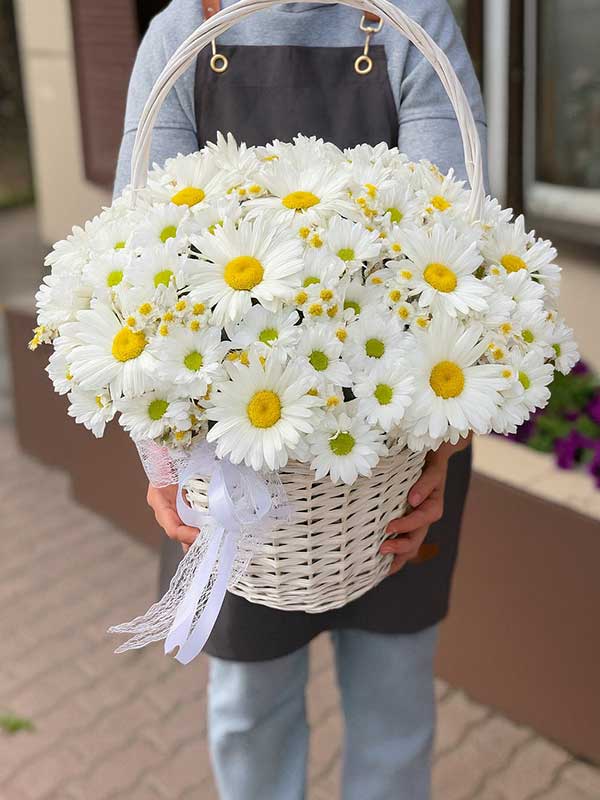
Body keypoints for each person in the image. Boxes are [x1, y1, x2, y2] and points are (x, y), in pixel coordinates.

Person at [114, 1, 486, 797]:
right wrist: (160, 459)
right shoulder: (186, 31)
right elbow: (133, 268)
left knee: (394, 703)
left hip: (398, 442)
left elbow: (457, 250)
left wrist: (443, 446)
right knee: (249, 708)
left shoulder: (411, 23)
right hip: (229, 460)